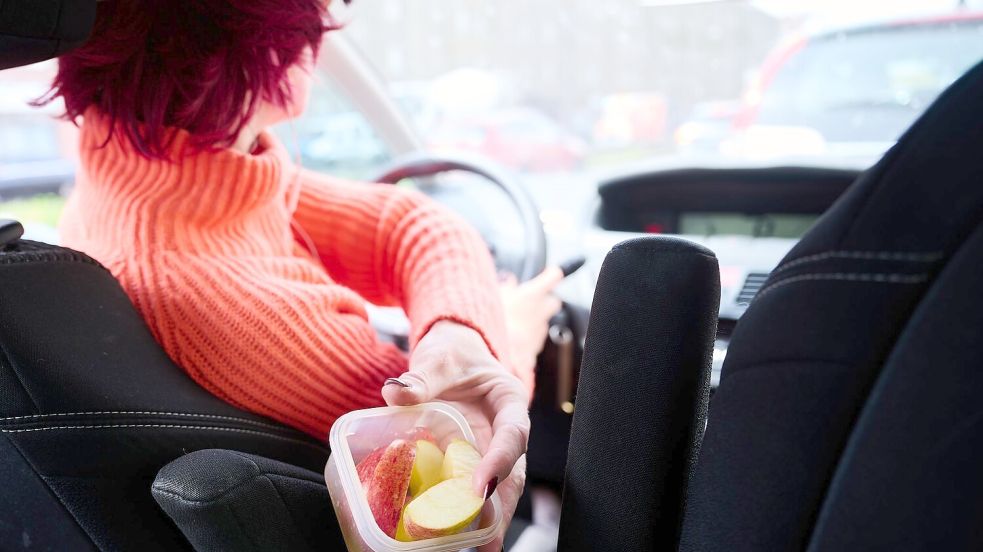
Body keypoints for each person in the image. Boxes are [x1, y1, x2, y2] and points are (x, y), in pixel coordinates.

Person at [40, 1, 559, 548]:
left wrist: (461, 331)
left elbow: (411, 225)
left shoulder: (151, 166)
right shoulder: (218, 302)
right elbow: (440, 431)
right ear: (269, 48)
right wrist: (514, 337)